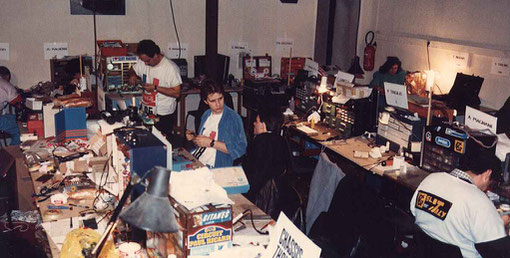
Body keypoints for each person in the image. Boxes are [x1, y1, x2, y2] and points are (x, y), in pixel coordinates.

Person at [410, 145, 510, 257]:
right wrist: (501, 225)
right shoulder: (479, 201)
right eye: (490, 184)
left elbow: (414, 211)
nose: (487, 188)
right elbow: (500, 252)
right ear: (487, 174)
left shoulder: (430, 180)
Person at [129, 39, 182, 143]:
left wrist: (155, 88)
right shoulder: (143, 62)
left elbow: (176, 92)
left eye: (148, 61)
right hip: (147, 110)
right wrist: (132, 75)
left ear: (156, 55)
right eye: (143, 61)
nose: (146, 64)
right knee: (145, 140)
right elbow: (133, 69)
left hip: (163, 114)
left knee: (161, 142)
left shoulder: (170, 68)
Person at [186, 79, 246, 168]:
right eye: (213, 101)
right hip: (200, 161)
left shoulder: (232, 118)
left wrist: (211, 143)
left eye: (220, 98)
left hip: (218, 166)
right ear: (205, 101)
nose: (218, 104)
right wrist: (194, 139)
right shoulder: (206, 115)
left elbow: (239, 149)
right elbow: (205, 141)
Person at [242, 109, 290, 204]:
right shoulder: (282, 141)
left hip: (258, 196)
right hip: (277, 195)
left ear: (263, 125)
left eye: (257, 121)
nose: (254, 124)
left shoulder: (259, 142)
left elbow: (253, 175)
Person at [0, 66, 22, 145]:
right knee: (19, 128)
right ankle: (13, 153)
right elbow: (18, 102)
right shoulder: (5, 84)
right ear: (7, 76)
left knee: (12, 117)